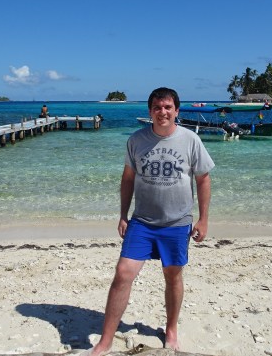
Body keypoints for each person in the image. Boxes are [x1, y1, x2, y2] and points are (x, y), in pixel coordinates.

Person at [86, 87, 215, 355]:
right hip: (142, 222)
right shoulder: (136, 140)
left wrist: (203, 219)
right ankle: (105, 341)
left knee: (173, 275)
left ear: (177, 111)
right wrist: (123, 215)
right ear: (150, 111)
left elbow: (203, 179)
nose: (162, 112)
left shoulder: (191, 140)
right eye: (157, 107)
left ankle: (171, 329)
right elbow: (128, 179)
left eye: (168, 107)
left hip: (177, 223)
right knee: (123, 273)